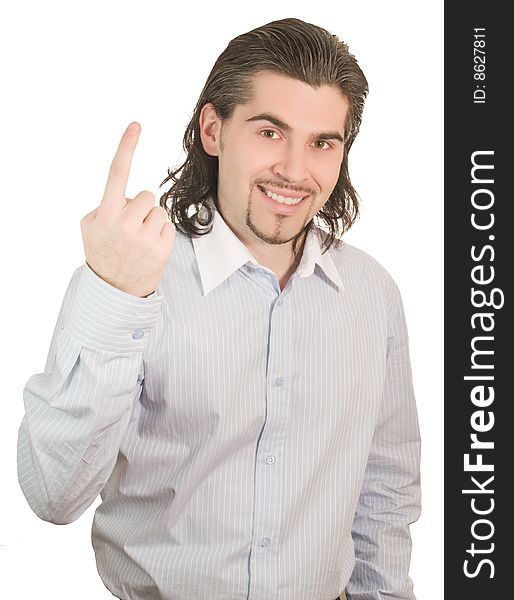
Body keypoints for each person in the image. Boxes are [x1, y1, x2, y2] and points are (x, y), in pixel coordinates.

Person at [17, 17, 421, 600]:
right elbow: (53, 495)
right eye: (269, 131)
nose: (294, 169)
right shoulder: (131, 277)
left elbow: (385, 493)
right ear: (214, 130)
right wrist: (115, 295)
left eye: (322, 143)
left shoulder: (371, 293)